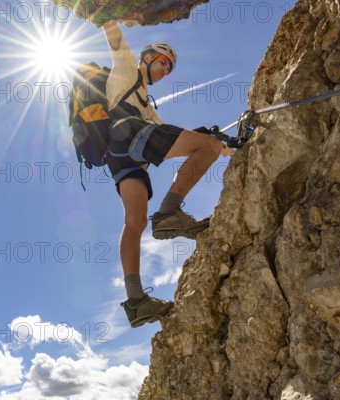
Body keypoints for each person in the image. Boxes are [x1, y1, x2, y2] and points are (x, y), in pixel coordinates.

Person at [101, 21, 234, 328]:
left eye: (170, 68)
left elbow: (164, 131)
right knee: (209, 146)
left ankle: (136, 301)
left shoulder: (145, 100)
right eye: (163, 62)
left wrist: (206, 140)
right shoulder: (125, 70)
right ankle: (169, 214)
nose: (165, 70)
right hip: (130, 134)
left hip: (121, 157)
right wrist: (107, 15)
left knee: (133, 222)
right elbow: (115, 38)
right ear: (147, 57)